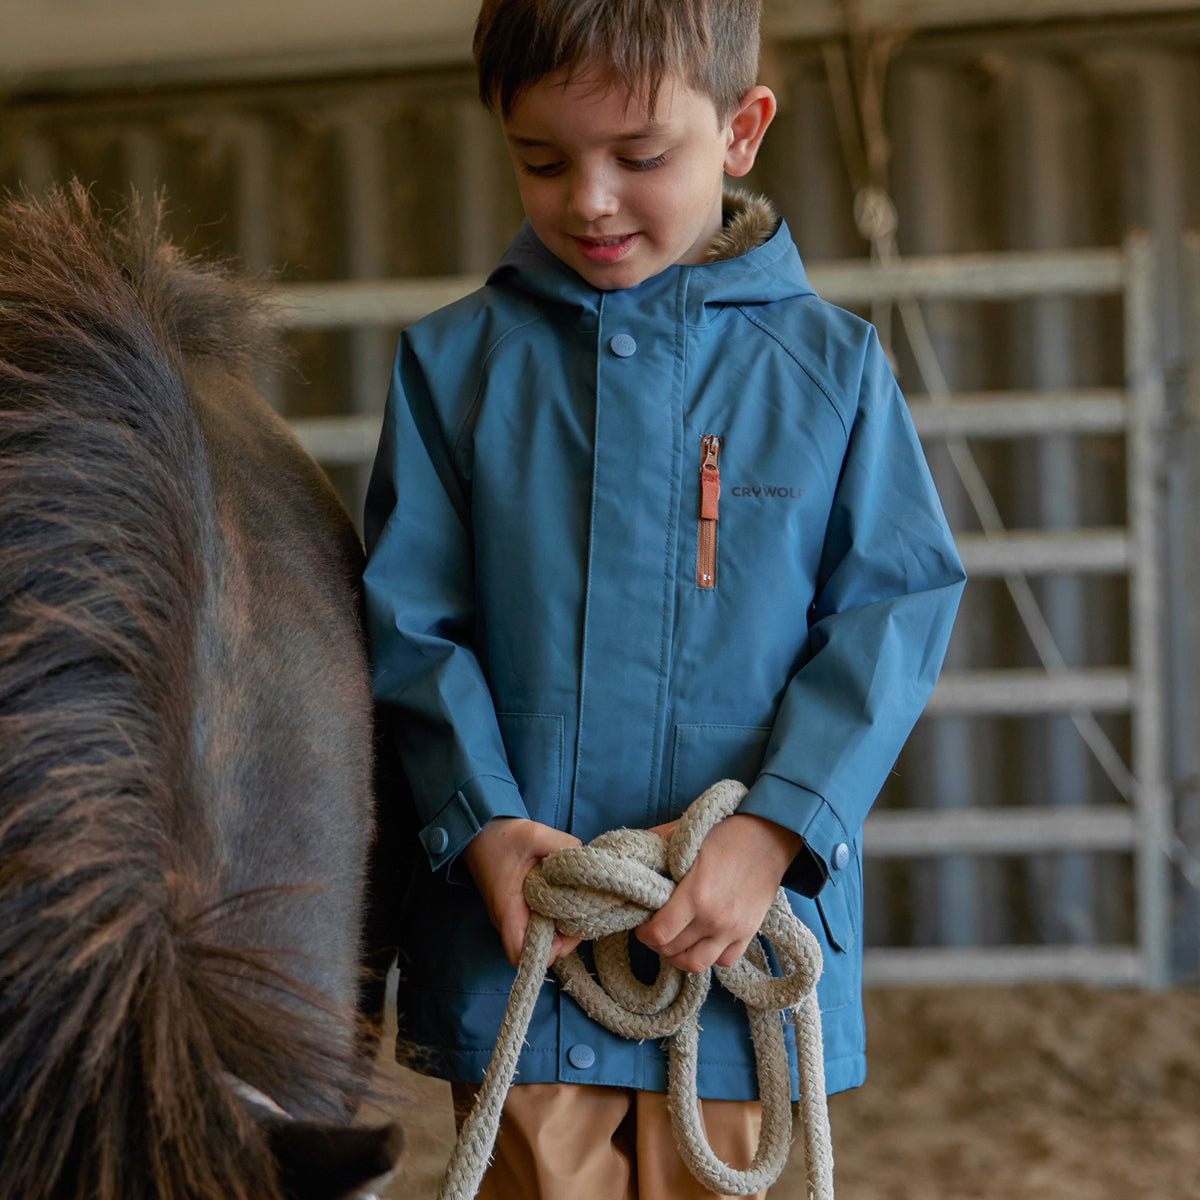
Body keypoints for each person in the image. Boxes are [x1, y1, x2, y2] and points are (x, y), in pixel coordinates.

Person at [363, 1, 965, 1196]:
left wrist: (778, 829)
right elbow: (410, 623)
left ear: (740, 131)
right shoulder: (453, 368)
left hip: (736, 953)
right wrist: (478, 825)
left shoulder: (831, 369)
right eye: (544, 159)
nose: (589, 198)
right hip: (529, 951)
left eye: (640, 158)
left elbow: (892, 611)